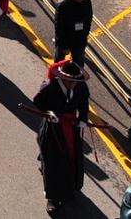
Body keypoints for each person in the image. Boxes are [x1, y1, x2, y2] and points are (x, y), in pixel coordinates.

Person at [32, 59, 91, 214]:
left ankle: (72, 184)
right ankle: (51, 197)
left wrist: (83, 119)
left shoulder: (81, 87)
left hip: (70, 128)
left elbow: (84, 103)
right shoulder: (49, 87)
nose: (73, 84)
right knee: (52, 162)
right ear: (62, 78)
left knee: (72, 157)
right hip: (53, 128)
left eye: (75, 81)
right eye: (69, 81)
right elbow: (37, 102)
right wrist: (49, 113)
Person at [53, 0, 93, 68]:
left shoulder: (87, 3)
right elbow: (59, 27)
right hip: (65, 40)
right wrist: (64, 46)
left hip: (79, 40)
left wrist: (84, 37)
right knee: (58, 64)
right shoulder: (62, 5)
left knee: (79, 66)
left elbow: (88, 22)